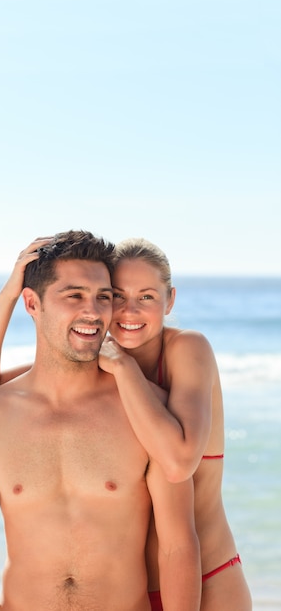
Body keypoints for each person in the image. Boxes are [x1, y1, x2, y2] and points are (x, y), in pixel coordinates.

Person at [0, 231, 201, 611]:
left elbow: (178, 546)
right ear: (32, 303)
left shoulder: (146, 414)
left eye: (103, 297)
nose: (93, 311)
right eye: (74, 296)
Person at [97, 237, 252, 611]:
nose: (130, 310)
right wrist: (8, 297)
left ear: (169, 300)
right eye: (117, 296)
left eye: (147, 297)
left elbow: (179, 462)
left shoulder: (188, 350)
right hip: (128, 593)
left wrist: (123, 366)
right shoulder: (96, 360)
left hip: (210, 579)